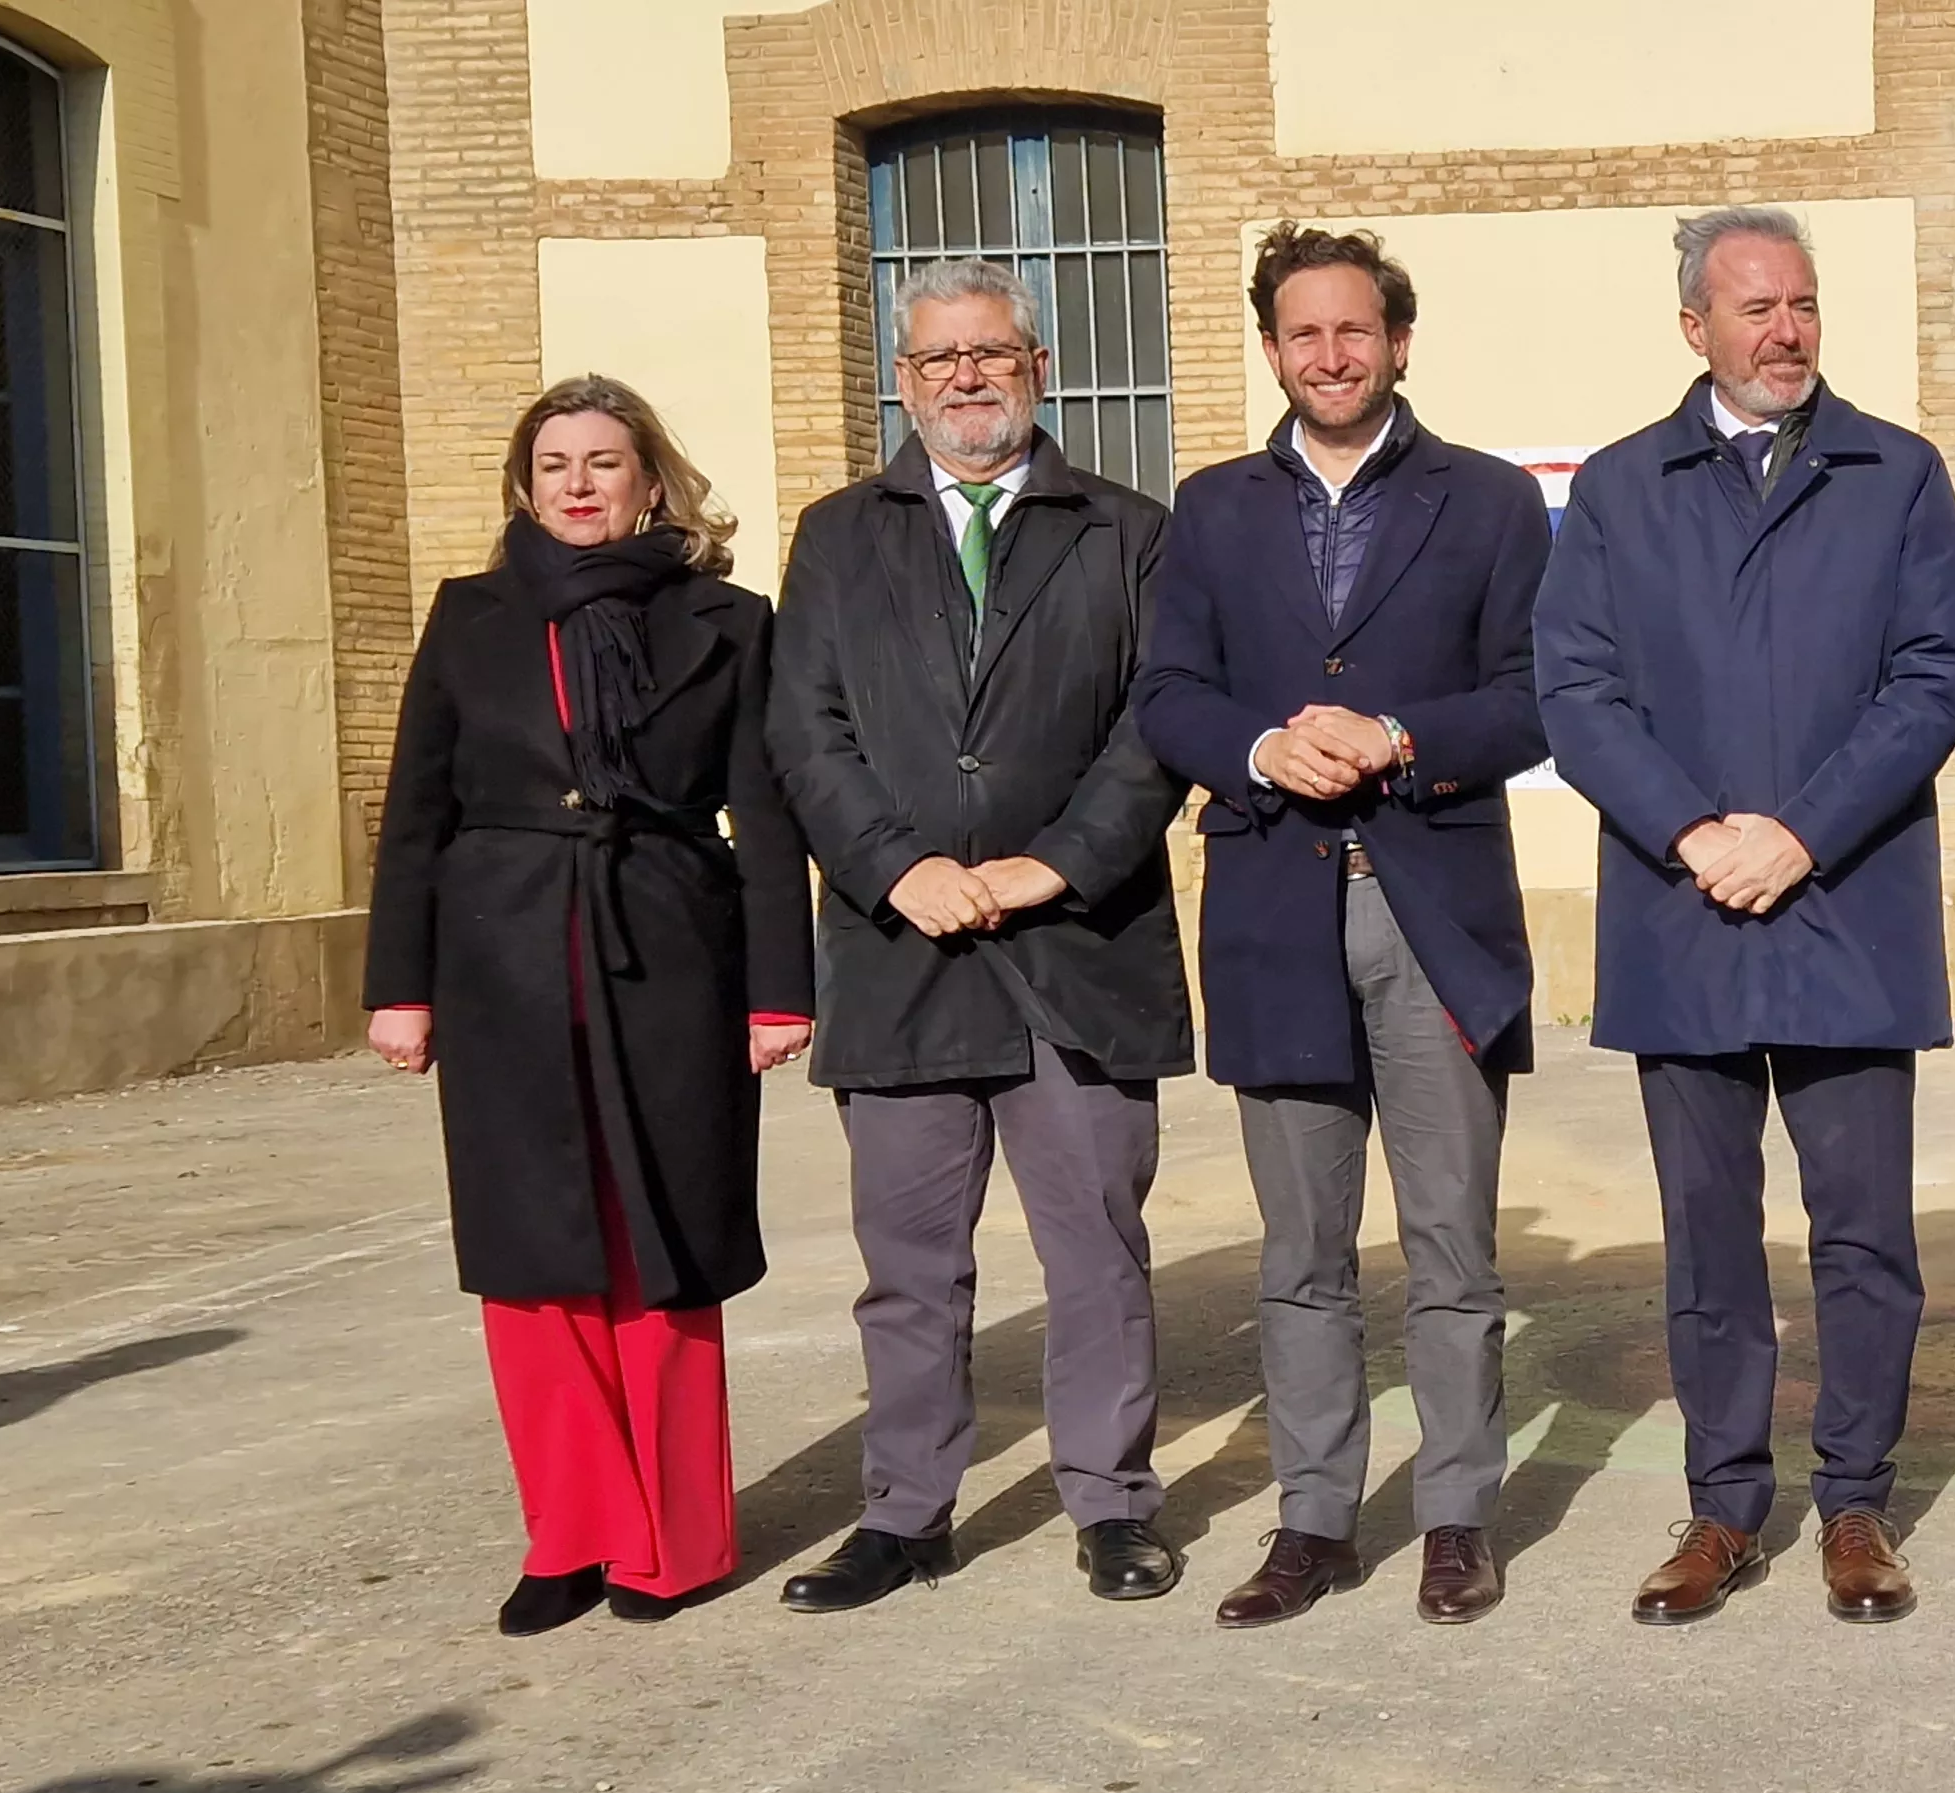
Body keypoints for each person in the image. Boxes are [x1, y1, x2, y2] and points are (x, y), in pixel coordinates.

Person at [1533, 206, 1955, 1626]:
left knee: (1864, 1238)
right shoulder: (1617, 489)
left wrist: (1800, 831)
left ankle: (1856, 1503)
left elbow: (1933, 675)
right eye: (1753, 310)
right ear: (1695, 330)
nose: (1784, 331)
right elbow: (1577, 695)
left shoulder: (1895, 475)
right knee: (1707, 1235)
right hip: (1684, 916)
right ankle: (1724, 1506)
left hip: (1846, 903)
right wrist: (1692, 831)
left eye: (1800, 304)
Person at [1131, 224, 1551, 1627]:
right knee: (1301, 1256)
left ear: (1399, 342)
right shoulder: (1210, 507)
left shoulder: (1486, 503)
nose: (1329, 355)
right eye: (1302, 334)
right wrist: (1260, 752)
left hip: (1433, 908)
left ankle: (1453, 1516)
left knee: (1451, 1248)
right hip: (1273, 908)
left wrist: (1395, 733)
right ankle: (1312, 1520)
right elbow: (1168, 692)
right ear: (1272, 350)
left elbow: (1535, 695)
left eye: (1354, 331)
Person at [765, 258, 1192, 1614]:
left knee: (1097, 1255)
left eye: (989, 353)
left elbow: (1154, 729)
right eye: (938, 358)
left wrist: (1044, 867)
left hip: (1077, 950)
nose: (964, 377)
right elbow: (806, 729)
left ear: (1036, 367)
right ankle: (906, 1510)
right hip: (904, 962)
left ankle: (1114, 1502)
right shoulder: (840, 536)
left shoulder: (1127, 532)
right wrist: (899, 872)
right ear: (905, 381)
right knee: (908, 1269)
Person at [364, 375, 814, 1635]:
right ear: (524, 486)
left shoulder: (727, 619)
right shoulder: (467, 619)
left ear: (649, 483)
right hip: (500, 953)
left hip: (669, 941)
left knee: (659, 1245)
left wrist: (779, 988)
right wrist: (398, 985)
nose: (576, 482)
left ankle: (669, 1544)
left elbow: (766, 821)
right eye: (553, 462)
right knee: (532, 1249)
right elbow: (416, 816)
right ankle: (569, 1537)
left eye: (603, 461)